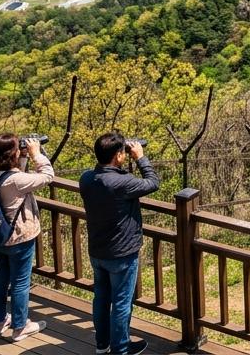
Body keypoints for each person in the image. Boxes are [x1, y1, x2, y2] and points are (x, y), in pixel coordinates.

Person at [81, 133, 159, 355]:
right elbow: (153, 183)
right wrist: (141, 158)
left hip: (97, 251)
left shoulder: (86, 178)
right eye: (123, 151)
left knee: (102, 299)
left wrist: (124, 162)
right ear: (118, 156)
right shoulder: (121, 182)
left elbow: (110, 178)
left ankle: (102, 344)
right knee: (122, 303)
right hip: (122, 253)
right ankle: (121, 349)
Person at [0, 133, 54, 341]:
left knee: (1, 278)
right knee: (21, 282)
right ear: (9, 154)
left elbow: (12, 178)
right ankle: (20, 327)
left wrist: (21, 157)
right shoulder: (16, 180)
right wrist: (36, 154)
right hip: (19, 237)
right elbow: (48, 175)